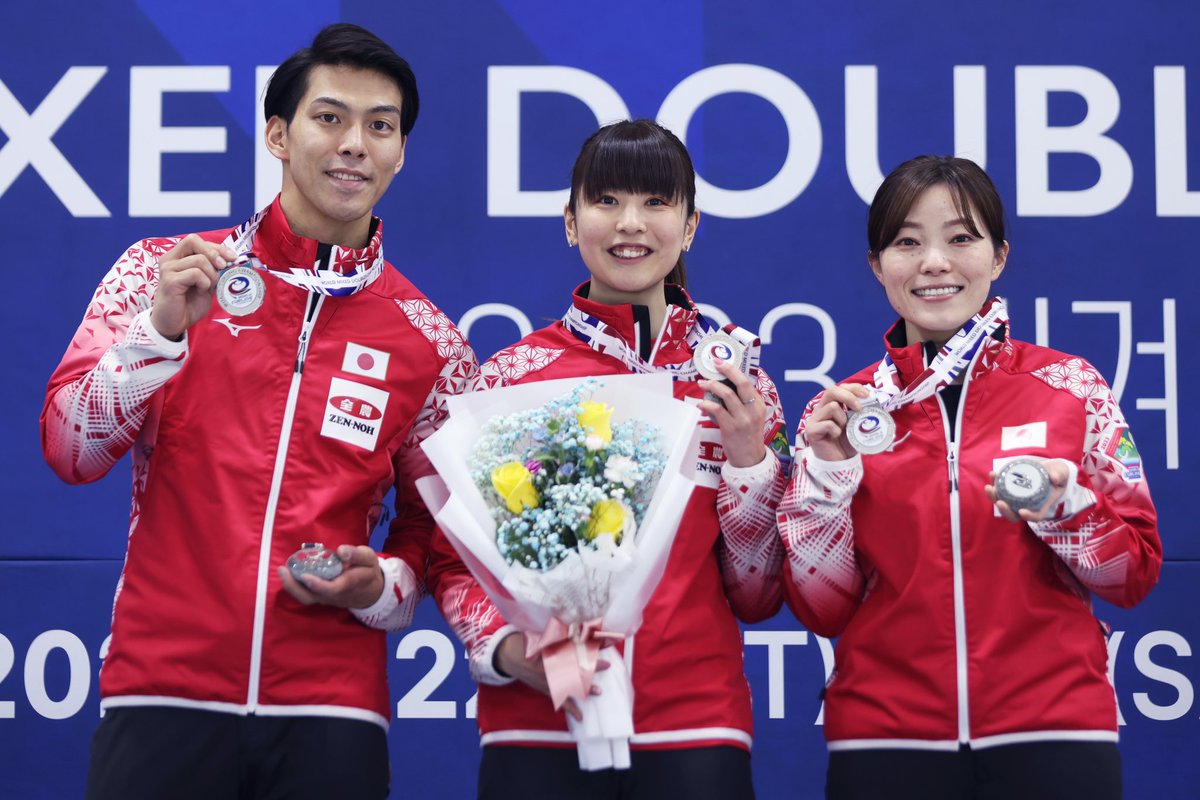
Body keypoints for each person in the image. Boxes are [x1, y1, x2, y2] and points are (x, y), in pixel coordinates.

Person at [40, 23, 478, 800]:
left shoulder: (433, 344)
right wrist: (159, 332)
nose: (355, 145)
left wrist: (376, 587)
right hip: (161, 692)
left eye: (380, 127)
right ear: (278, 133)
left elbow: (437, 545)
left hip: (333, 713)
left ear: (400, 151)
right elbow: (72, 449)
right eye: (329, 117)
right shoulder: (161, 273)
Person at [427, 119, 791, 799]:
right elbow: (455, 559)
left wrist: (749, 465)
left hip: (694, 727)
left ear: (689, 227)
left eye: (657, 203)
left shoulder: (738, 384)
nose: (631, 223)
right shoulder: (511, 378)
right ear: (570, 222)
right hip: (537, 723)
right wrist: (510, 652)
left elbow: (758, 590)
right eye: (606, 202)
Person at [777, 155, 1162, 800]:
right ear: (877, 265)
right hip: (885, 739)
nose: (934, 262)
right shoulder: (843, 413)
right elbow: (822, 608)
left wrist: (1064, 508)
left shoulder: (1069, 388)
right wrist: (828, 477)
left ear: (999, 256)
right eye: (907, 242)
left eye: (961, 238)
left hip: (1055, 729)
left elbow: (1134, 575)